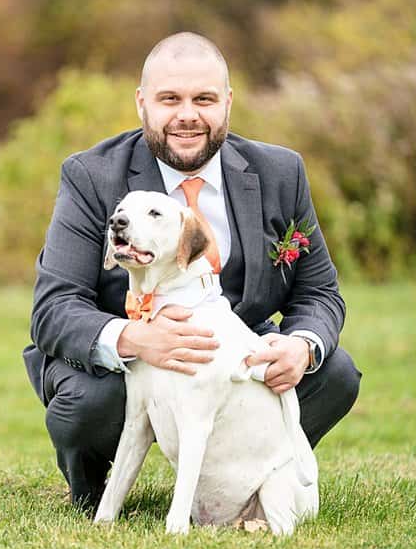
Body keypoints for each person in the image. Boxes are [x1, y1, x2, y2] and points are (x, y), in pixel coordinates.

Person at [24, 31, 360, 513]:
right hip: (123, 367)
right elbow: (54, 307)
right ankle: (93, 491)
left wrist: (301, 344)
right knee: (86, 401)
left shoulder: (281, 172)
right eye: (169, 99)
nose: (187, 115)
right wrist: (137, 340)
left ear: (228, 103)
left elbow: (319, 291)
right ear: (142, 104)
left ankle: (238, 482)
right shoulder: (91, 175)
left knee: (336, 372)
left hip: (233, 364)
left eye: (204, 99)